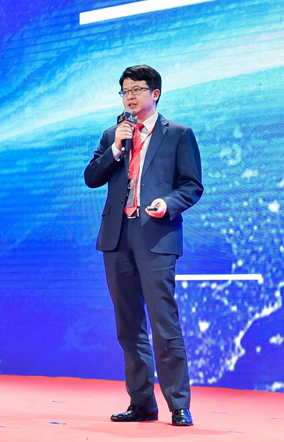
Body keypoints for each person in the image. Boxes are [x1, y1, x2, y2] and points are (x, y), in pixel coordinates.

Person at [84, 65, 203, 427]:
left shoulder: (178, 134)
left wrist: (168, 203)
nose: (130, 96)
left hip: (156, 234)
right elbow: (92, 178)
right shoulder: (113, 135)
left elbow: (192, 185)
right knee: (128, 324)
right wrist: (116, 149)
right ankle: (141, 403)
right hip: (117, 236)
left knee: (164, 322)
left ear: (155, 93)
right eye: (125, 91)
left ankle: (178, 404)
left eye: (137, 89)